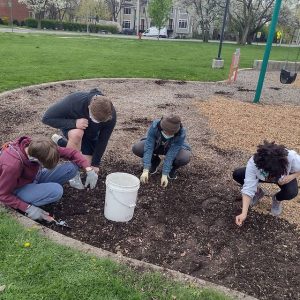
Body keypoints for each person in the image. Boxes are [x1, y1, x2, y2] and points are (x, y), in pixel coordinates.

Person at [0, 136, 98, 221]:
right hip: (15, 187)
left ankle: (37, 190)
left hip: (32, 177)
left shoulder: (41, 147)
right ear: (35, 159)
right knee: (56, 191)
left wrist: (88, 169)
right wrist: (28, 208)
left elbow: (72, 153)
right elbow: (3, 194)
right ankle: (27, 199)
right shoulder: (12, 165)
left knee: (71, 168)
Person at [42, 88, 116, 189]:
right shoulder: (74, 101)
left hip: (90, 137)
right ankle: (73, 175)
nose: (95, 123)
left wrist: (95, 164)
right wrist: (74, 123)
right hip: (74, 129)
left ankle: (61, 142)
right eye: (94, 119)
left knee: (85, 165)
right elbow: (46, 118)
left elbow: (103, 140)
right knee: (77, 134)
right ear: (89, 107)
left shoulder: (109, 114)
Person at [233, 141, 300, 226]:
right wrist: (243, 213)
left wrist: (292, 176)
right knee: (238, 174)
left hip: (283, 177)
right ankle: (257, 192)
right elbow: (248, 187)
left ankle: (277, 199)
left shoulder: (292, 157)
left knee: (291, 192)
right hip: (262, 175)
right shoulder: (254, 163)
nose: (270, 179)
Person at [132, 114, 191, 188]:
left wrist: (164, 174)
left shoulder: (181, 133)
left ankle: (172, 169)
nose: (168, 134)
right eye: (166, 132)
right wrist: (146, 169)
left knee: (183, 158)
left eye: (171, 133)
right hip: (157, 145)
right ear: (162, 128)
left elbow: (171, 154)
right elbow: (149, 147)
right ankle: (154, 161)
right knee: (138, 148)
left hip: (172, 148)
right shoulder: (155, 126)